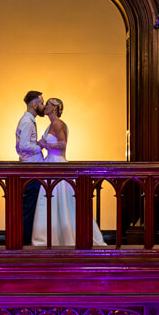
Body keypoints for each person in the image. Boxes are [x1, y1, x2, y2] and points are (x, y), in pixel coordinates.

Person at [28, 98, 110, 248]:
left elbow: (63, 144)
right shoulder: (50, 125)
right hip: (50, 162)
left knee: (61, 201)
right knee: (51, 201)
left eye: (47, 104)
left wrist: (45, 144)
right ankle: (51, 237)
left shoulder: (58, 123)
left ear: (53, 108)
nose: (44, 106)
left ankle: (63, 237)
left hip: (57, 163)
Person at [14, 90, 46, 244]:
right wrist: (39, 146)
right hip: (30, 169)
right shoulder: (27, 121)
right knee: (29, 207)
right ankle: (25, 242)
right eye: (41, 102)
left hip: (31, 167)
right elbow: (24, 145)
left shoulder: (28, 120)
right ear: (34, 104)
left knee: (31, 206)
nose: (42, 105)